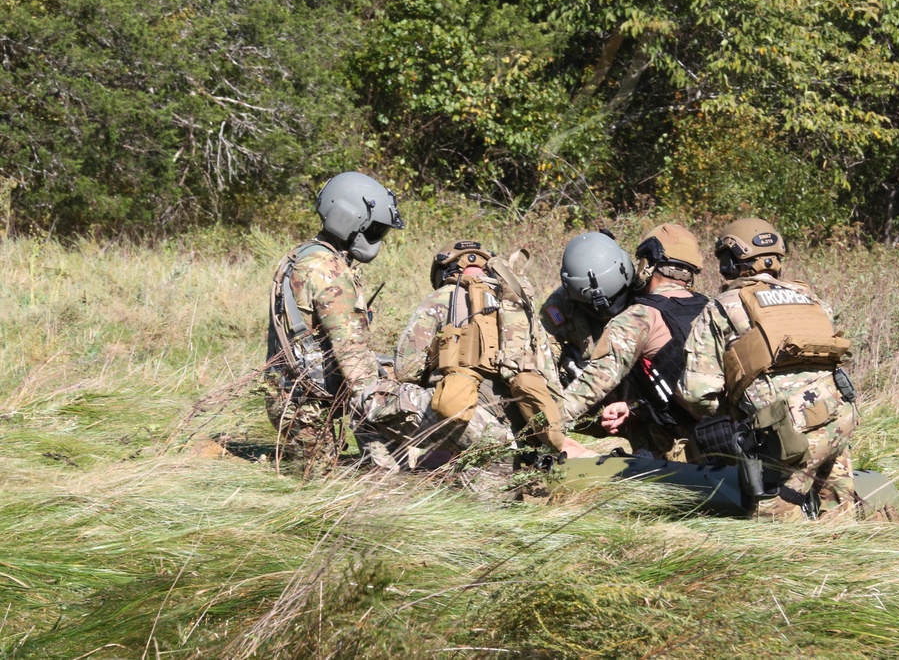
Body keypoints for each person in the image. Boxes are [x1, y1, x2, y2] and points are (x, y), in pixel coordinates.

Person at [265, 174, 509, 476]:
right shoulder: (330, 272)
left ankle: (384, 471)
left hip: (292, 400)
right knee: (450, 407)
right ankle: (504, 454)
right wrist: (426, 401)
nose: (378, 238)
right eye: (375, 229)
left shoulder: (301, 256)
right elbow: (362, 384)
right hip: (307, 415)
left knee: (391, 392)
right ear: (348, 219)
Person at [678, 217, 856, 522]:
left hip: (788, 437)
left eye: (724, 260)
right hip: (841, 420)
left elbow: (696, 393)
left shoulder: (723, 307)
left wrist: (731, 411)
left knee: (774, 532)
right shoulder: (811, 299)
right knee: (838, 519)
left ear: (735, 262)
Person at [395, 240, 597, 459]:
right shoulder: (519, 306)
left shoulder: (440, 298)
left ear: (445, 270)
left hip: (469, 423)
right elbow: (550, 378)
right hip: (525, 434)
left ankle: (385, 470)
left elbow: (405, 370)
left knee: (370, 398)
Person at [559, 224, 712, 461]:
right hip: (726, 444)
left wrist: (545, 425)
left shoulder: (640, 315)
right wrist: (632, 407)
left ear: (647, 265)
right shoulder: (712, 307)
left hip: (686, 458)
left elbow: (595, 381)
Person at [540, 231, 635, 387]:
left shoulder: (645, 286)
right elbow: (546, 350)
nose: (608, 309)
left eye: (617, 297)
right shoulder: (559, 306)